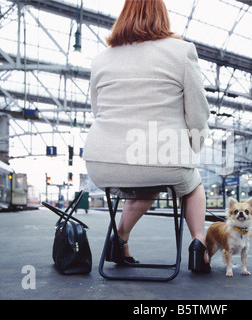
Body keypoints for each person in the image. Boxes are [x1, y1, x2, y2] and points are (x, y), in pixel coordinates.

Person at [84, 0, 210, 273]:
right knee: (191, 183)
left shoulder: (101, 59)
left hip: (102, 161)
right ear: (161, 16)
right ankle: (199, 245)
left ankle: (120, 238)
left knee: (146, 178)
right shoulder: (182, 51)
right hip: (160, 158)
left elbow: (97, 111)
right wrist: (192, 150)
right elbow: (198, 114)